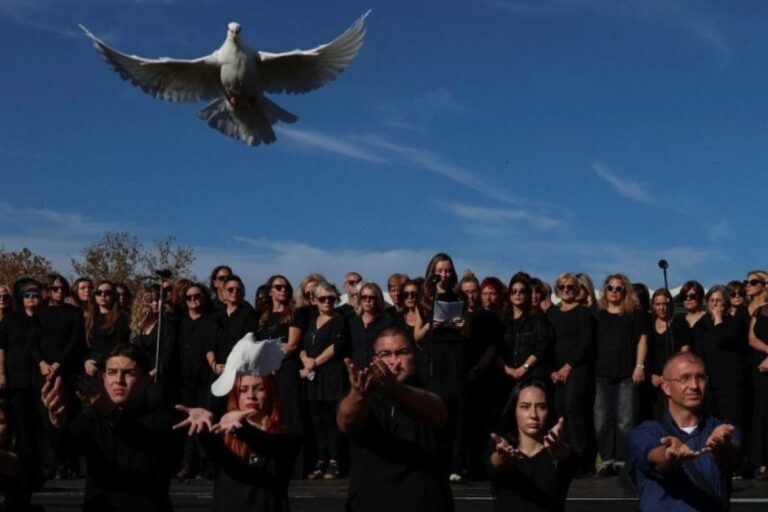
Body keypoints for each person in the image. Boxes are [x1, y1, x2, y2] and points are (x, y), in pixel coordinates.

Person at [41, 343, 175, 512]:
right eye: (112, 373)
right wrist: (57, 423)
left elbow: (143, 441)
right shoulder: (92, 418)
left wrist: (109, 411)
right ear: (103, 378)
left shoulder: (161, 418)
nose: (119, 381)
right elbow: (64, 452)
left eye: (129, 373)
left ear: (145, 379)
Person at [174, 336, 299, 512]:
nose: (251, 396)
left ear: (270, 394)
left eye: (259, 389)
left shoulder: (287, 433)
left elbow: (270, 446)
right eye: (243, 390)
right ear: (236, 396)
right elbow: (219, 457)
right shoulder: (225, 432)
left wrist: (241, 430)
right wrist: (204, 429)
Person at [337, 326, 454, 512]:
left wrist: (394, 389)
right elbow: (346, 422)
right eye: (385, 354)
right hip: (369, 502)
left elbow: (435, 410)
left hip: (423, 502)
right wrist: (358, 395)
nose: (394, 362)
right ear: (374, 360)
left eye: (402, 352)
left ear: (415, 355)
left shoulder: (435, 390)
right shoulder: (364, 396)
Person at [630, 352, 742, 511]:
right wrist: (669, 454)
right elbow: (654, 458)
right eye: (684, 378)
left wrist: (722, 447)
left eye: (700, 378)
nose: (694, 386)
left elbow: (730, 456)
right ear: (666, 387)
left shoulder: (722, 431)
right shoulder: (646, 431)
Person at [489, 381, 578, 512]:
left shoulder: (558, 455)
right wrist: (502, 456)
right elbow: (493, 463)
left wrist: (559, 448)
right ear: (514, 410)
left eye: (541, 407)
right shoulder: (501, 449)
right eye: (525, 407)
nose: (534, 415)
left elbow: (569, 457)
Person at [593, 274, 648, 477]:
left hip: (627, 373)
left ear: (625, 291)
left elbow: (642, 340)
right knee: (601, 419)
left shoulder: (634, 314)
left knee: (625, 419)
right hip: (601, 374)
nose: (614, 292)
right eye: (610, 288)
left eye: (619, 288)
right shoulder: (597, 315)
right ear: (605, 290)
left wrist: (639, 366)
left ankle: (622, 461)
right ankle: (607, 460)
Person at [547, 272, 595, 476]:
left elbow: (585, 343)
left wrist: (568, 367)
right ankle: (563, 456)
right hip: (556, 372)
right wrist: (552, 370)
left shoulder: (584, 313)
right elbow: (547, 344)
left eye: (570, 287)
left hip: (577, 369)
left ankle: (581, 460)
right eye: (562, 287)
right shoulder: (552, 315)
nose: (566, 290)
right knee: (559, 411)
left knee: (573, 409)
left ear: (577, 290)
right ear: (557, 290)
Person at [299, 281, 347, 480]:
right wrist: (305, 360)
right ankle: (320, 459)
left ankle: (334, 461)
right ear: (315, 300)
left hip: (331, 376)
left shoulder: (339, 320)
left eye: (331, 298)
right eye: (323, 298)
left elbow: (336, 346)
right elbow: (303, 346)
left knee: (331, 420)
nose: (327, 302)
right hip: (313, 379)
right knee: (317, 421)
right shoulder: (312, 321)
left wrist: (314, 363)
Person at [176, 282, 218, 480]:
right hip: (183, 379)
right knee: (185, 422)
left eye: (197, 296)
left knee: (203, 421)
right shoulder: (180, 322)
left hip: (204, 377)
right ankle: (187, 463)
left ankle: (206, 465)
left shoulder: (211, 321)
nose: (193, 300)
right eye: (189, 297)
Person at [208, 276, 257, 376]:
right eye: (230, 289)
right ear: (223, 293)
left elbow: (248, 344)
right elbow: (209, 345)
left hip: (240, 370)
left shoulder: (249, 315)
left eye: (238, 290)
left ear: (243, 294)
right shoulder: (215, 316)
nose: (235, 292)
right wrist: (214, 365)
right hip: (217, 370)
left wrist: (232, 366)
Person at [84, 280, 131, 376]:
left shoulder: (121, 317)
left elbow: (120, 345)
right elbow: (82, 344)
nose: (103, 295)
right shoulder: (88, 318)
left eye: (107, 293)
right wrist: (86, 361)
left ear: (113, 296)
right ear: (95, 296)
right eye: (99, 292)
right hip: (88, 368)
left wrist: (99, 362)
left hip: (110, 367)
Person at [348, 282, 392, 368]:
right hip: (356, 371)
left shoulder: (386, 323)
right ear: (360, 299)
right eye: (364, 297)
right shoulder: (351, 322)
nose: (367, 300)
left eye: (371, 297)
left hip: (378, 370)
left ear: (378, 299)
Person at [748, 300, 768, 480]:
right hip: (759, 368)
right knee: (761, 413)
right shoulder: (758, 311)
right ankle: (761, 462)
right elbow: (752, 338)